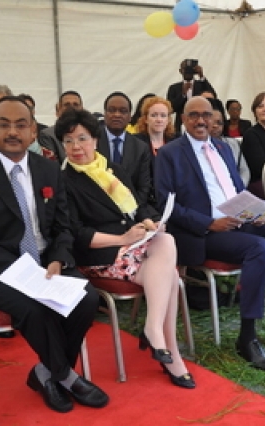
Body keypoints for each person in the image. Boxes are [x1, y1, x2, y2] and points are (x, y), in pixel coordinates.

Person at [0, 96, 108, 413]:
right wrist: (24, 272)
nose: (13, 132)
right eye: (4, 124)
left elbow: (63, 227)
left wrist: (58, 258)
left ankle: (45, 373)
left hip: (46, 263)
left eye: (21, 125)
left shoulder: (48, 170)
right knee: (34, 308)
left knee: (87, 298)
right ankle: (66, 376)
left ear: (33, 131)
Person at [156, 96, 265, 370]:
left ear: (214, 118)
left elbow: (237, 189)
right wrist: (209, 223)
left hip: (238, 223)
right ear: (183, 119)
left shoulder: (223, 147)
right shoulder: (170, 153)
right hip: (202, 233)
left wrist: (254, 211)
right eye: (194, 115)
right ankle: (247, 337)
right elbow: (166, 204)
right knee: (259, 248)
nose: (201, 120)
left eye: (206, 115)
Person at [58, 108, 195, 389]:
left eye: (82, 139)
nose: (76, 147)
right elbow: (76, 234)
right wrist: (122, 239)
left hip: (133, 244)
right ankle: (166, 348)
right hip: (99, 253)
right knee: (169, 274)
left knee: (166, 241)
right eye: (68, 141)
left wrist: (151, 222)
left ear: (95, 140)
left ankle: (156, 333)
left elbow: (137, 206)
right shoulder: (63, 180)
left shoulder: (112, 170)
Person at [97, 92, 151, 204]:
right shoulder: (92, 143)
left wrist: (132, 209)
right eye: (112, 110)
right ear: (105, 114)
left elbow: (143, 187)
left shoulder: (140, 148)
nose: (117, 115)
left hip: (131, 206)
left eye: (123, 111)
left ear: (130, 117)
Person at [134, 96, 175, 206]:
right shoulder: (135, 142)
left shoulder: (176, 142)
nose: (159, 119)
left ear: (168, 120)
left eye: (163, 115)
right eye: (154, 115)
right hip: (145, 201)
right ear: (146, 119)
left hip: (171, 199)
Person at [167, 59, 217, 137]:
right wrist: (183, 94)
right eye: (185, 69)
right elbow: (170, 108)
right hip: (180, 123)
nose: (188, 71)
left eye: (190, 69)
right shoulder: (174, 88)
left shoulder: (201, 85)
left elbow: (213, 97)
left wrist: (201, 76)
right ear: (180, 71)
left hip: (200, 121)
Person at [209, 104, 250, 186]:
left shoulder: (233, 143)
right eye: (211, 122)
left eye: (219, 123)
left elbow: (244, 170)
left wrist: (240, 187)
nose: (215, 126)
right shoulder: (200, 146)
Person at [38, 90, 84, 163]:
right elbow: (51, 165)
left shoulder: (90, 132)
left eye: (75, 104)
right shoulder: (48, 135)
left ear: (82, 109)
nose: (71, 108)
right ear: (58, 110)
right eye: (67, 105)